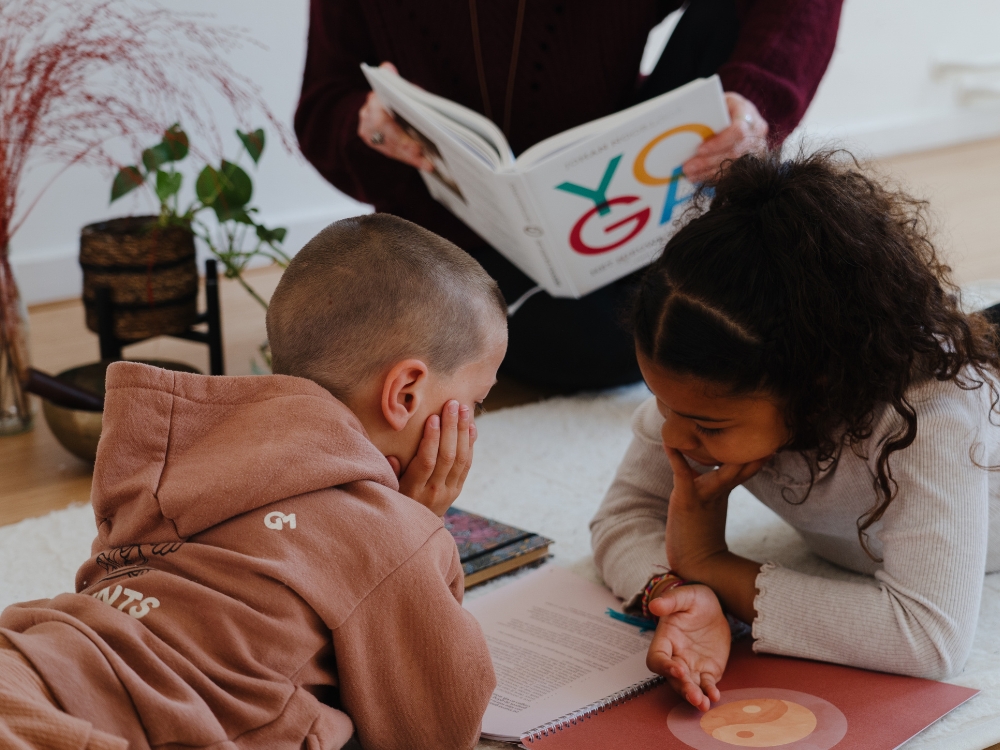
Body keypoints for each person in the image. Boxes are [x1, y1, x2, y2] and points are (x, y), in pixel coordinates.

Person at [0, 214, 507, 750]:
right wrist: (418, 527)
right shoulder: (395, 539)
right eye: (475, 401)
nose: (473, 422)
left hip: (35, 657)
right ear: (406, 393)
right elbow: (440, 726)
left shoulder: (174, 460)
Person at [590, 150, 1000, 709]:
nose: (674, 439)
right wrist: (678, 592)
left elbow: (930, 637)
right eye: (662, 405)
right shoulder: (703, 395)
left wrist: (715, 567)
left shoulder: (931, 417)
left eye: (707, 425)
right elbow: (623, 515)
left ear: (819, 388)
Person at [294, 0, 844, 391]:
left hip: (614, 204)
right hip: (455, 243)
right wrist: (365, 124)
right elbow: (323, 107)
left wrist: (754, 100)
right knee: (604, 345)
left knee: (672, 330)